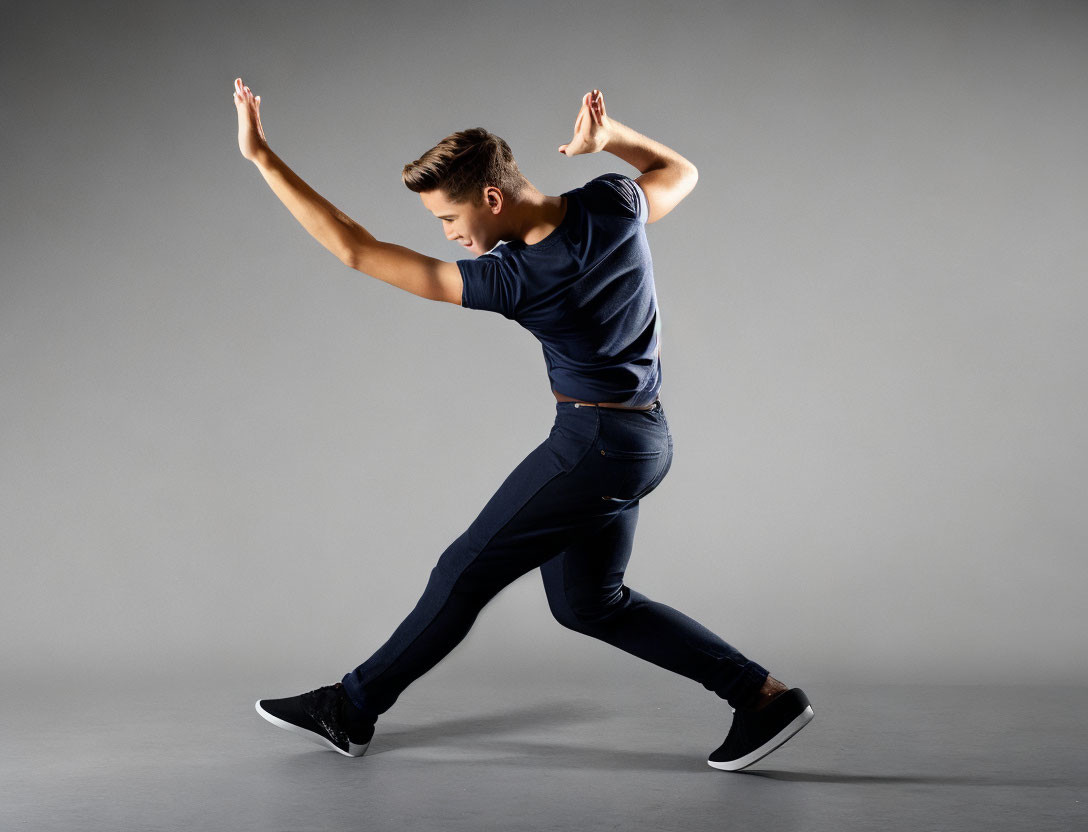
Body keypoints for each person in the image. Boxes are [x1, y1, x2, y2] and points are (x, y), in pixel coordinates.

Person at [232, 77, 813, 771]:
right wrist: (611, 139)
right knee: (588, 604)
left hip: (593, 446)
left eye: (449, 221)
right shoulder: (612, 201)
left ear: (491, 198)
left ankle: (351, 707)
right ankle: (763, 697)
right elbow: (678, 173)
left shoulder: (514, 279)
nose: (450, 237)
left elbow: (356, 250)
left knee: (463, 569)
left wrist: (264, 159)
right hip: (643, 440)